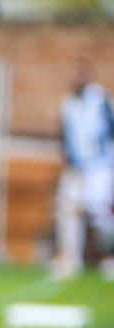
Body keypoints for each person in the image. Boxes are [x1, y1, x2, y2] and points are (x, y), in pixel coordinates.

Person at [54, 57, 114, 281]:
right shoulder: (68, 103)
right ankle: (69, 260)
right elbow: (64, 134)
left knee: (100, 213)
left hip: (99, 166)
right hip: (75, 166)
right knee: (68, 210)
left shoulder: (100, 99)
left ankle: (109, 258)